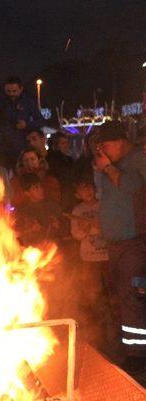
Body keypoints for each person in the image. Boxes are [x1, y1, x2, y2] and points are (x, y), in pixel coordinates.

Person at [94, 121, 146, 373]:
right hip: (115, 245)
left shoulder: (137, 159)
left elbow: (134, 189)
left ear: (121, 141)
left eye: (106, 145)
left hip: (134, 244)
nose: (102, 151)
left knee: (132, 298)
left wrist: (109, 169)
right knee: (122, 299)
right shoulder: (111, 166)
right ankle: (128, 348)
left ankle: (138, 355)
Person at [68, 179, 112, 349]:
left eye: (89, 188)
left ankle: (114, 321)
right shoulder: (77, 210)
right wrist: (85, 229)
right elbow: (76, 234)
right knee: (94, 292)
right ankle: (99, 325)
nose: (87, 192)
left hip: (106, 255)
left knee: (111, 288)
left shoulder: (103, 205)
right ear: (77, 195)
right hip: (89, 258)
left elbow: (112, 226)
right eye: (83, 190)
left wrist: (100, 226)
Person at [0, 76, 46, 170]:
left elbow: (41, 121)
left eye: (14, 91)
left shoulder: (28, 102)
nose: (11, 94)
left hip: (21, 146)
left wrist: (27, 125)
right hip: (3, 146)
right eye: (8, 91)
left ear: (21, 89)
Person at [14, 173, 64, 246]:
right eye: (36, 188)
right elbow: (17, 235)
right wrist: (30, 230)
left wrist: (59, 225)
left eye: (40, 186)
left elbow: (66, 229)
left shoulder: (53, 206)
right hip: (34, 251)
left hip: (54, 248)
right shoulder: (22, 211)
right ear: (27, 193)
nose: (41, 190)